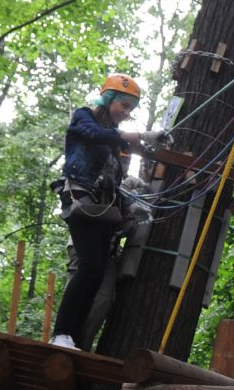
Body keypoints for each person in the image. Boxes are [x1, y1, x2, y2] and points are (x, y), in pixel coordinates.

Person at [51, 74, 162, 350]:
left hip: (101, 209)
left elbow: (113, 183)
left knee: (96, 273)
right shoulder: (83, 117)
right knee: (88, 268)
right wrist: (140, 137)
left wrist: (130, 207)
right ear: (109, 98)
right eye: (123, 106)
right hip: (82, 201)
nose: (126, 113)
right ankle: (61, 333)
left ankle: (71, 337)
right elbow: (96, 134)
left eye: (130, 110)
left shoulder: (113, 145)